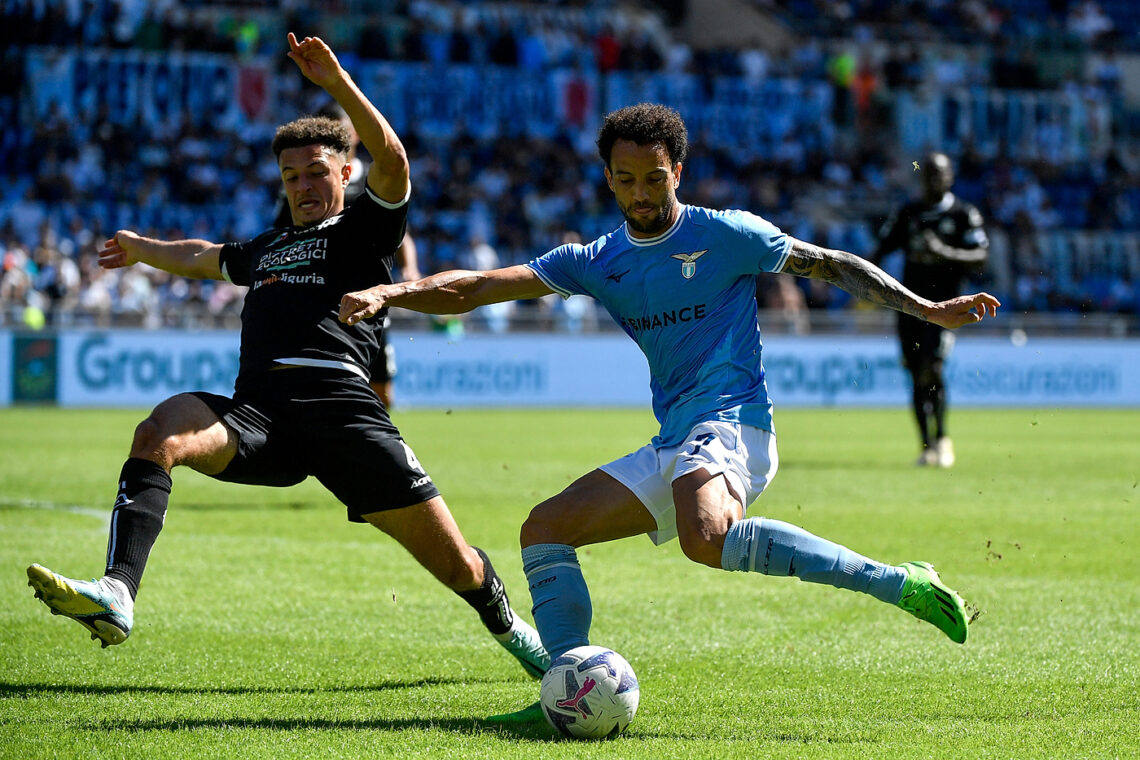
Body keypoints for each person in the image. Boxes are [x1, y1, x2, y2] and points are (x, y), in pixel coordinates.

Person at [337, 103, 999, 718]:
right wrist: (393, 291)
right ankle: (567, 690)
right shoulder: (599, 260)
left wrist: (927, 308)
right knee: (544, 530)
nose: (642, 194)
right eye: (625, 181)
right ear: (609, 180)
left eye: (654, 178)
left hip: (736, 424)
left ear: (676, 171)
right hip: (679, 439)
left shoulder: (727, 234)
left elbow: (827, 264)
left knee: (703, 537)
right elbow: (479, 288)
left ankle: (900, 583)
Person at [25, 33, 548, 681]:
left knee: (461, 567)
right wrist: (141, 247)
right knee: (159, 431)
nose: (302, 185)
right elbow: (202, 257)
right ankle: (118, 592)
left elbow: (393, 156)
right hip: (260, 418)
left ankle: (521, 639)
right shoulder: (269, 245)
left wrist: (336, 84)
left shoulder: (363, 229)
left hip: (345, 416)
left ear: (344, 174)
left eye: (316, 173)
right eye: (290, 176)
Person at [271, 102, 419, 409]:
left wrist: (411, 270)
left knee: (381, 392)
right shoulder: (301, 186)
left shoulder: (373, 180)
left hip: (368, 294)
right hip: (319, 295)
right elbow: (282, 236)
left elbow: (402, 234)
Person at [870, 152, 989, 468]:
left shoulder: (964, 213)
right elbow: (880, 250)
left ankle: (943, 438)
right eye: (929, 174)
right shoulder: (908, 212)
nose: (934, 180)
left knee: (932, 367)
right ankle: (926, 445)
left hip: (948, 309)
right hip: (910, 307)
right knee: (915, 374)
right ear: (921, 178)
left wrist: (944, 252)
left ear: (951, 176)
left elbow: (981, 255)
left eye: (941, 174)